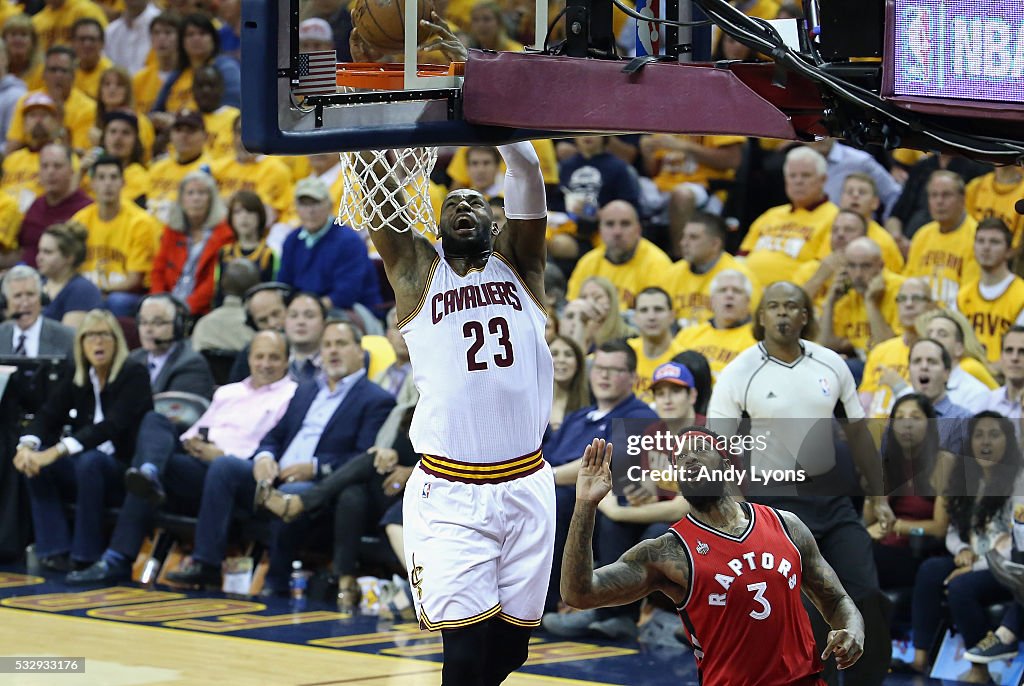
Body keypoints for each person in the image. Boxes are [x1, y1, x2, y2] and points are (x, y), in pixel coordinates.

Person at [364, 141, 554, 684]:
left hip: (526, 485)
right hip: (451, 492)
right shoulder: (417, 275)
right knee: (465, 654)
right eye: (453, 205)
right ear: (438, 225)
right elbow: (379, 203)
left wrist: (499, 122)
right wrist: (374, 147)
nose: (465, 208)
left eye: (477, 203)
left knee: (511, 651)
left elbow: (526, 167)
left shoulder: (523, 267)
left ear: (497, 223)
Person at [561, 434, 865, 684]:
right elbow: (579, 593)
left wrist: (853, 629)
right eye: (680, 458)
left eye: (700, 450)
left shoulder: (787, 525)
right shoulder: (668, 551)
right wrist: (585, 505)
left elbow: (836, 600)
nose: (688, 459)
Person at [707, 280, 892, 685]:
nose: (783, 313)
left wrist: (879, 498)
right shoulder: (739, 372)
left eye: (791, 306)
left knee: (864, 591)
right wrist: (736, 510)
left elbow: (859, 434)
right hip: (774, 504)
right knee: (802, 607)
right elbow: (716, 446)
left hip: (832, 497)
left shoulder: (831, 363)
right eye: (773, 306)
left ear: (805, 316)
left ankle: (870, 680)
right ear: (761, 317)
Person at [65, 330, 296, 584]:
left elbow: (274, 445)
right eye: (259, 356)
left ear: (286, 361)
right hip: (200, 465)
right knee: (154, 422)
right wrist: (192, 443)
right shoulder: (228, 392)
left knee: (223, 465)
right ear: (249, 358)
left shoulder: (291, 395)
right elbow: (195, 431)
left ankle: (205, 563)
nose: (264, 364)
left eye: (273, 358)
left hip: (244, 472)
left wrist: (220, 454)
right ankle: (120, 550)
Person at [14, 310, 152, 570]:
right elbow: (48, 414)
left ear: (116, 340)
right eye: (89, 336)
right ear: (80, 344)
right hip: (84, 462)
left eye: (103, 335)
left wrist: (57, 451)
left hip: (122, 466)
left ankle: (85, 555)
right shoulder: (79, 374)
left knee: (90, 461)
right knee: (34, 464)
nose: (97, 342)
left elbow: (110, 426)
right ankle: (53, 549)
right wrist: (27, 446)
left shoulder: (134, 374)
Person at [904, 411, 1023, 681]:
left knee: (961, 587)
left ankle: (979, 669)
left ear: (1008, 441)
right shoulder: (965, 478)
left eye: (994, 434)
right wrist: (962, 551)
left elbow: (1017, 542)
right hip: (973, 559)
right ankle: (919, 658)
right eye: (978, 435)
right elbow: (954, 531)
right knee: (931, 569)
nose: (985, 442)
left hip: (1006, 567)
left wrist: (975, 566)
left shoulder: (1019, 481)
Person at [149, 170, 235, 317]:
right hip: (167, 303)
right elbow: (158, 270)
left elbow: (212, 283)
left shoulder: (224, 234)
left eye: (202, 193)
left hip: (201, 309)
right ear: (181, 200)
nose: (196, 198)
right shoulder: (172, 230)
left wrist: (185, 308)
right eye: (190, 193)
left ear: (211, 199)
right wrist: (158, 302)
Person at [37, 221, 103, 329]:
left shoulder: (83, 290)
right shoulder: (37, 282)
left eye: (47, 252)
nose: (39, 257)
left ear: (69, 257)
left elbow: (68, 339)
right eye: (39, 251)